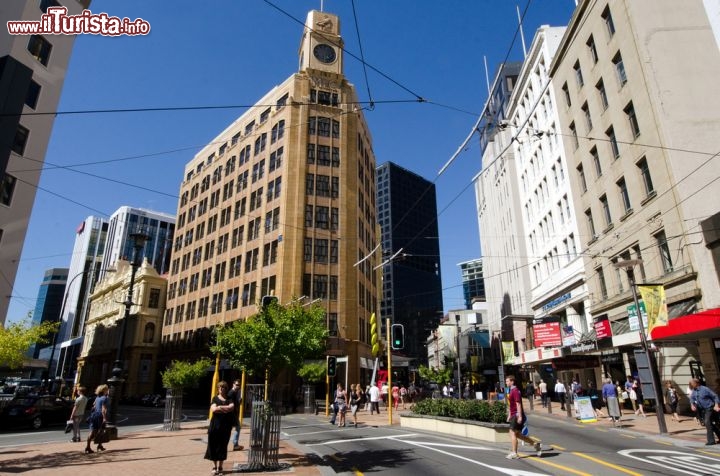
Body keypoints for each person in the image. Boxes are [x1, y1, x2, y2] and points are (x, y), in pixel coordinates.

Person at [505, 375, 542, 460]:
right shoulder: (511, 391)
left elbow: (518, 404)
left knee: (512, 433)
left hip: (517, 415)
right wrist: (509, 415)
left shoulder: (515, 391)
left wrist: (520, 416)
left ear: (512, 381)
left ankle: (514, 453)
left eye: (507, 381)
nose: (506, 383)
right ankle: (535, 444)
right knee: (517, 434)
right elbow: (512, 405)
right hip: (514, 414)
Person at [205, 381, 235, 475]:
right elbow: (213, 409)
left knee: (223, 446)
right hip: (215, 427)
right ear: (217, 389)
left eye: (223, 387)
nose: (221, 389)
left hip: (226, 427)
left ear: (226, 389)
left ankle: (221, 466)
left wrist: (220, 407)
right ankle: (214, 466)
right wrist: (225, 409)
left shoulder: (229, 398)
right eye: (219, 387)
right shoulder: (215, 398)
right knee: (213, 445)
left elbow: (232, 407)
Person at [689, 378, 720, 445]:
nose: (690, 385)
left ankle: (711, 441)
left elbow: (715, 396)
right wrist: (692, 404)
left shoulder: (705, 389)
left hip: (709, 408)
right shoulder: (694, 390)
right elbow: (692, 398)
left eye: (691, 383)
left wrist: (716, 405)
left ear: (696, 383)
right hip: (702, 410)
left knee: (707, 422)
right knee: (710, 424)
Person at [85, 384, 109, 454]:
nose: (107, 390)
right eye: (107, 389)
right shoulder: (105, 398)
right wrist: (104, 418)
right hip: (99, 416)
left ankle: (88, 447)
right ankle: (99, 445)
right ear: (104, 390)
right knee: (101, 431)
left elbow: (93, 405)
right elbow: (103, 409)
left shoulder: (97, 397)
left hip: (94, 415)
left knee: (92, 432)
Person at [228, 379, 244, 451]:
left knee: (236, 428)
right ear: (233, 384)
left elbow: (238, 402)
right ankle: (235, 444)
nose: (238, 386)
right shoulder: (231, 393)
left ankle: (235, 444)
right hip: (231, 414)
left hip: (233, 414)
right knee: (236, 428)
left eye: (239, 385)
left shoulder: (236, 392)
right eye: (237, 385)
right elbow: (230, 404)